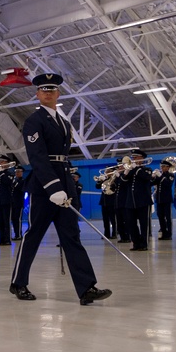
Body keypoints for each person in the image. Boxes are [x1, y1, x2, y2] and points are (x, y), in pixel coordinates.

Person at [9, 73, 111, 305]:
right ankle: (18, 282)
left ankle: (87, 288)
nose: (48, 93)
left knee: (72, 237)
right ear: (37, 94)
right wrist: (52, 187)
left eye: (52, 89)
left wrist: (67, 187)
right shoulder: (34, 121)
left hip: (65, 184)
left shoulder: (64, 122)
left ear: (58, 93)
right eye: (43, 90)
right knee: (33, 235)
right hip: (45, 188)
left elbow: (62, 158)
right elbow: (37, 156)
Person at [118, 149, 156, 251]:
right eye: (133, 157)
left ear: (142, 158)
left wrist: (136, 169)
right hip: (130, 202)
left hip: (143, 201)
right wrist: (125, 172)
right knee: (131, 224)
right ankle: (136, 242)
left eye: (136, 157)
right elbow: (122, 183)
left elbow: (147, 178)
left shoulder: (146, 170)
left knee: (144, 224)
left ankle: (144, 244)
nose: (133, 159)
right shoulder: (130, 171)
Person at [154, 157, 175, 240]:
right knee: (160, 217)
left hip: (166, 199)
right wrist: (152, 177)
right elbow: (152, 183)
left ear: (168, 167)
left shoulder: (171, 175)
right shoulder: (160, 176)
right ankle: (163, 232)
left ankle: (169, 234)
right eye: (161, 167)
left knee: (168, 217)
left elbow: (168, 184)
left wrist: (160, 177)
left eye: (163, 167)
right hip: (159, 199)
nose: (162, 168)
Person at [96, 165, 117, 239]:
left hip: (112, 201)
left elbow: (114, 188)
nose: (107, 172)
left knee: (113, 219)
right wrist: (100, 180)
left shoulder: (114, 179)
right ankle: (106, 234)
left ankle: (115, 233)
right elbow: (98, 187)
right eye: (106, 171)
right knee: (105, 219)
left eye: (108, 171)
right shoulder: (104, 179)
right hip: (104, 201)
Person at [11, 165, 26, 240]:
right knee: (13, 219)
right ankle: (16, 234)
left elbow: (17, 188)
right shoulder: (14, 180)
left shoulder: (22, 181)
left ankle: (19, 234)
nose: (17, 173)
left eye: (18, 172)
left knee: (18, 219)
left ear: (22, 173)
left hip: (18, 203)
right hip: (12, 203)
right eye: (16, 172)